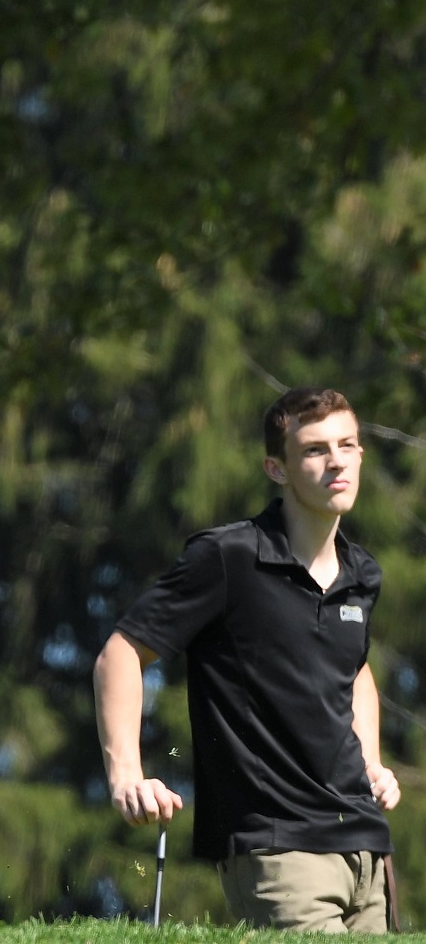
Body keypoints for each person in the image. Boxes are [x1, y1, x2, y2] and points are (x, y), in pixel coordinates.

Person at [93, 387, 401, 933]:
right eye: (314, 450)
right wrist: (125, 776)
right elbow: (122, 652)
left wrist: (372, 762)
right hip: (280, 852)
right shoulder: (227, 558)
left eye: (347, 445)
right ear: (276, 469)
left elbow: (354, 671)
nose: (336, 461)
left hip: (366, 850)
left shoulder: (362, 574)